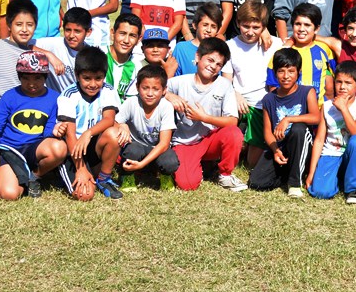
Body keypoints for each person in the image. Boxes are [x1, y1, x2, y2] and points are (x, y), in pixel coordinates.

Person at [0, 51, 67, 200]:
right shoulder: (10, 96)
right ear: (19, 77)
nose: (31, 83)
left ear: (45, 77)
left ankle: (33, 176)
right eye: (26, 78)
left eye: (37, 78)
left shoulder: (54, 98)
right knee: (10, 194)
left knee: (59, 147)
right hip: (10, 150)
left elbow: (48, 130)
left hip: (34, 149)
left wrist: (56, 130)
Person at [166, 38, 247, 192]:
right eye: (210, 60)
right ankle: (203, 166)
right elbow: (157, 87)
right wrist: (170, 96)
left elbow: (232, 121)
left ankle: (225, 174)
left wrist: (204, 118)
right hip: (185, 142)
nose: (213, 66)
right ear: (197, 57)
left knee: (233, 133)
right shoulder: (180, 82)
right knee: (187, 185)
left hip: (210, 139)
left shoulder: (224, 85)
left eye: (219, 64)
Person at [249, 48, 320, 197]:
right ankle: (285, 174)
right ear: (275, 73)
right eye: (281, 71)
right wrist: (275, 150)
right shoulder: (269, 99)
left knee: (299, 129)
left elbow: (316, 117)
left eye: (291, 71)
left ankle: (295, 183)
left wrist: (288, 119)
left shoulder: (307, 91)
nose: (286, 76)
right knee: (256, 183)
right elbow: (268, 131)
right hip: (280, 146)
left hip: (301, 144)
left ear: (298, 72)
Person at [54, 46, 122, 201]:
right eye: (87, 78)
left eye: (98, 78)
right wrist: (80, 168)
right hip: (74, 149)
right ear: (77, 75)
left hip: (92, 144)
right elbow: (70, 135)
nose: (93, 84)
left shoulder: (108, 91)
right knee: (85, 195)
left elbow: (109, 119)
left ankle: (104, 179)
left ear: (104, 76)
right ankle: (71, 172)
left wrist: (88, 133)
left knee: (114, 133)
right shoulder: (68, 95)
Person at [224, 0, 283, 167]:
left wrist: (266, 32)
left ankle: (254, 144)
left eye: (256, 27)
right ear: (238, 23)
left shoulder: (275, 44)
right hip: (240, 102)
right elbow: (226, 80)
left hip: (264, 103)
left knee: (252, 163)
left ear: (263, 26)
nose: (250, 32)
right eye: (245, 26)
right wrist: (235, 95)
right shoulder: (230, 46)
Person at [307, 60, 356, 204]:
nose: (342, 87)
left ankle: (354, 190)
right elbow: (319, 140)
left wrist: (343, 108)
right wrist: (311, 173)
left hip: (353, 154)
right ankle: (338, 178)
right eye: (339, 82)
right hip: (331, 153)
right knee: (320, 192)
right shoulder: (327, 106)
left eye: (348, 83)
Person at [114, 63, 180, 194]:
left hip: (158, 149)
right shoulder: (131, 103)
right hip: (137, 147)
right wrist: (122, 125)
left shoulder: (166, 107)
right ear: (137, 87)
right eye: (145, 88)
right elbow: (114, 122)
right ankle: (128, 176)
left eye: (156, 89)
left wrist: (142, 164)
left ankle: (165, 176)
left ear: (164, 90)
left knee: (170, 162)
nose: (150, 93)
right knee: (132, 150)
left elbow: (164, 144)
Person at [272, 2, 336, 103]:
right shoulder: (282, 51)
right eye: (298, 24)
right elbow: (273, 85)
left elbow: (330, 79)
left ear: (317, 28)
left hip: (318, 113)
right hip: (290, 111)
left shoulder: (325, 50)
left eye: (307, 25)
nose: (301, 29)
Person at [37, 6, 92, 94]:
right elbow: (26, 45)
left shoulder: (91, 55)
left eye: (77, 31)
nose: (71, 35)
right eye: (68, 30)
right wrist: (49, 55)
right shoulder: (54, 44)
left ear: (88, 32)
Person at [172, 3, 223, 76]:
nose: (208, 30)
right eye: (205, 25)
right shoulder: (181, 49)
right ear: (195, 25)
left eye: (213, 27)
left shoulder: (219, 51)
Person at [106, 13, 143, 103]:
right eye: (122, 34)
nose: (126, 40)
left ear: (138, 39)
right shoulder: (98, 55)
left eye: (132, 36)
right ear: (112, 33)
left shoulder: (137, 66)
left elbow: (129, 102)